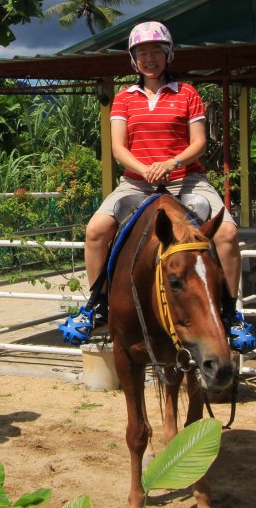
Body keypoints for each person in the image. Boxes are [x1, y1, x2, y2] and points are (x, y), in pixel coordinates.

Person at [59, 21, 244, 345]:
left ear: (168, 55)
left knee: (227, 233)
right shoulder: (124, 98)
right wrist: (144, 169)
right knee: (95, 231)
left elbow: (198, 143)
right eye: (142, 53)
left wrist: (171, 163)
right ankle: (97, 304)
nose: (149, 59)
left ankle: (231, 311)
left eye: (156, 52)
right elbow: (118, 147)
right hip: (137, 181)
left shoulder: (187, 93)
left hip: (186, 179)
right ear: (133, 60)